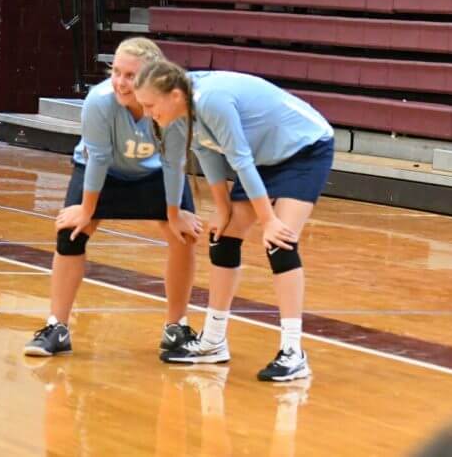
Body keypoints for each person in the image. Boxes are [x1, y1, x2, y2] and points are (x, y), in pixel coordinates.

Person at [134, 63, 334, 382]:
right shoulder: (179, 108)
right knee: (223, 237)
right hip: (263, 157)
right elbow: (207, 152)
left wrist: (268, 220)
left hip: (304, 149)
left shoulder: (212, 100)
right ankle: (214, 341)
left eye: (149, 105)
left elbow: (240, 160)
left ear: (173, 96)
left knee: (280, 242)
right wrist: (223, 209)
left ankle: (293, 352)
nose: (147, 114)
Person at [23, 38, 201, 357]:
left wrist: (174, 215)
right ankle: (57, 327)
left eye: (130, 75)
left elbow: (175, 162)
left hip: (155, 173)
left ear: (153, 76)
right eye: (116, 71)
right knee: (71, 233)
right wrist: (86, 210)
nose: (120, 82)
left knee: (184, 235)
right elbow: (98, 158)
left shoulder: (171, 102)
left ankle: (176, 327)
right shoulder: (99, 101)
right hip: (105, 172)